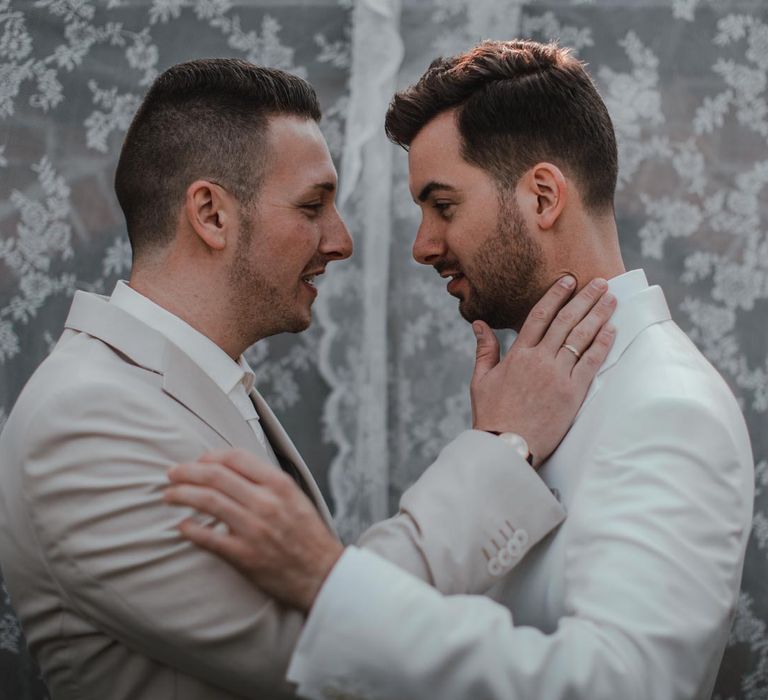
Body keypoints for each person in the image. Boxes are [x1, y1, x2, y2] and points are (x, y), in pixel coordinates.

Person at [0, 58, 616, 699]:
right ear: (211, 215)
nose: (341, 240)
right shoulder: (85, 419)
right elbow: (312, 646)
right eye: (312, 205)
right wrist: (502, 446)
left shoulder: (192, 386)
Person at [165, 41, 755, 700]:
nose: (422, 247)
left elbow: (622, 687)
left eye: (443, 206)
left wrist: (335, 584)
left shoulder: (667, 407)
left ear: (541, 196)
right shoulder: (542, 387)